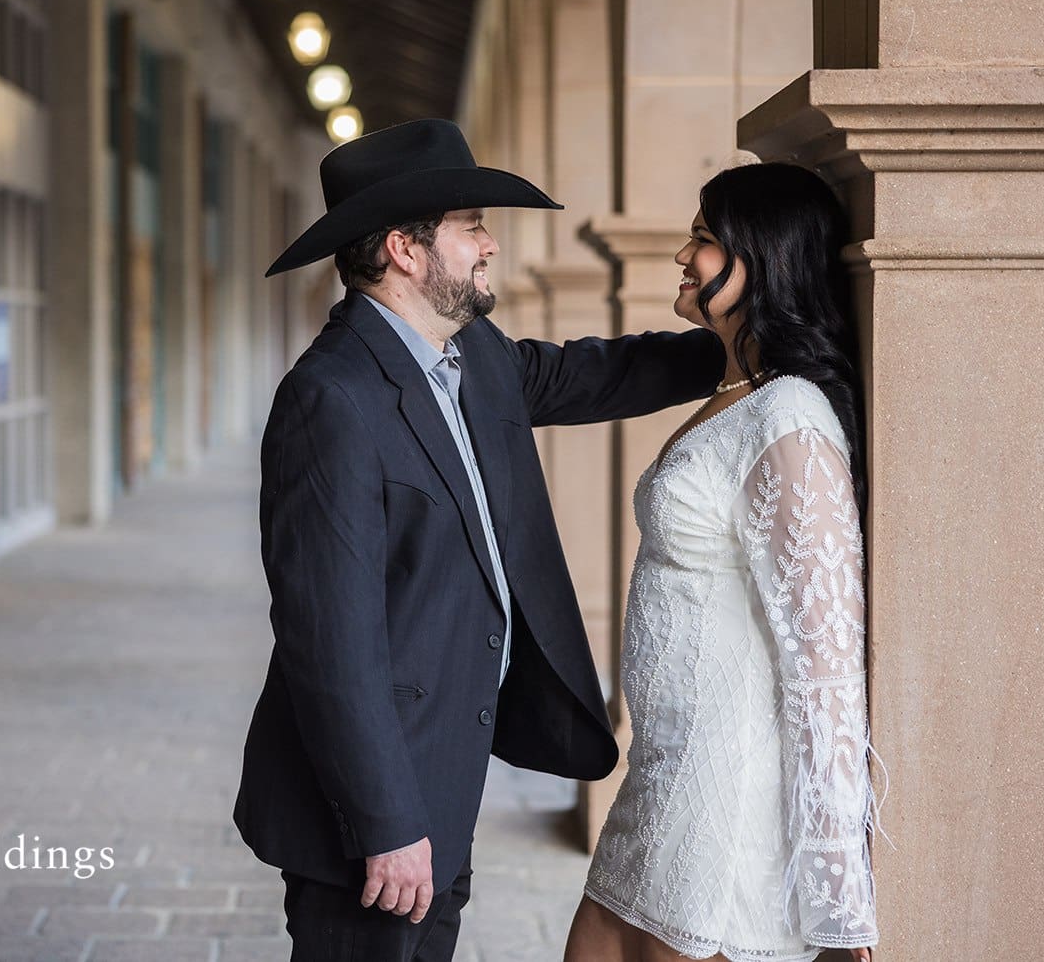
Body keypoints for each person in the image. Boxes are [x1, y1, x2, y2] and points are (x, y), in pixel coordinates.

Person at [232, 118, 727, 962]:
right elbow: (331, 643)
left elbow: (591, 372)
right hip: (369, 813)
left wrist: (746, 345)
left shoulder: (475, 357)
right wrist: (386, 823)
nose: (490, 243)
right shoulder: (331, 399)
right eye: (471, 225)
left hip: (447, 772)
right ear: (405, 250)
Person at [564, 162, 883, 962]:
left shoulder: (792, 417)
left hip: (724, 808)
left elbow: (826, 667)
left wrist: (841, 906)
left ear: (766, 262)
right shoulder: (740, 389)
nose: (682, 253)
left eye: (705, 241)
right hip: (659, 782)